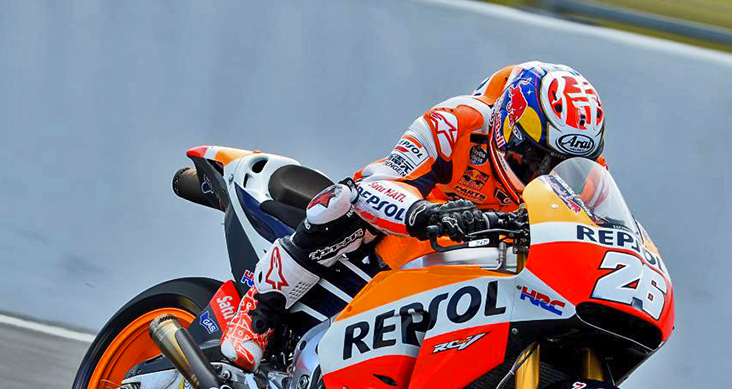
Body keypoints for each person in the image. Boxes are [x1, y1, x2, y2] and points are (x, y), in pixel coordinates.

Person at [221, 61, 607, 371]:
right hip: (400, 239)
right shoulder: (457, 122)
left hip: (483, 267)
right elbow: (382, 181)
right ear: (509, 126)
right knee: (343, 201)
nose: (544, 174)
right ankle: (259, 311)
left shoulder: (588, 173)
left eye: (560, 165)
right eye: (536, 159)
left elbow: (602, 230)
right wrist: (424, 213)